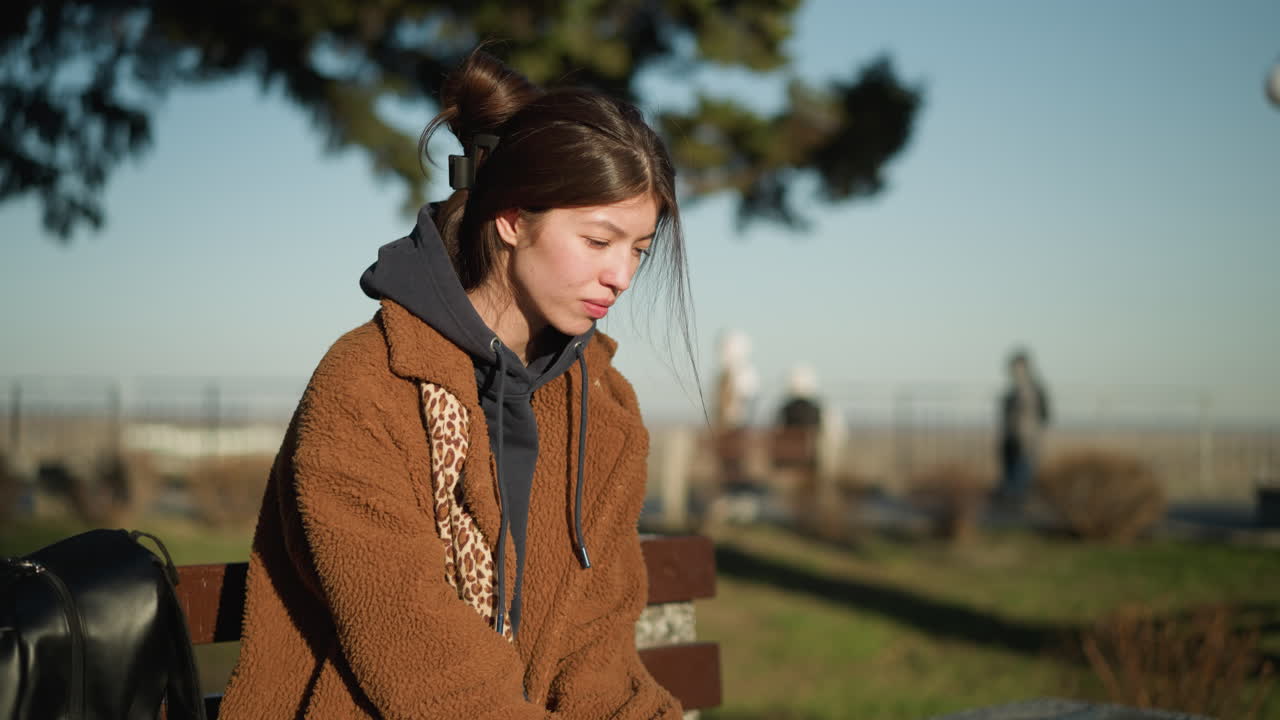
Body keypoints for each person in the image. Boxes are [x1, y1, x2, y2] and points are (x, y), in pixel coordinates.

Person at [220, 48, 693, 719]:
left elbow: (598, 653)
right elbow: (417, 655)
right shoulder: (368, 385)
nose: (621, 275)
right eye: (598, 241)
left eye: (638, 250)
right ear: (512, 219)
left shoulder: (604, 406)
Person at [996, 348, 1051, 507]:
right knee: (1012, 477)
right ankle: (1014, 504)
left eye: (1017, 367)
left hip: (1026, 440)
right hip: (1011, 439)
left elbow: (1044, 414)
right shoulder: (1012, 391)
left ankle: (1018, 504)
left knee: (1021, 477)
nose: (1015, 371)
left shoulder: (1033, 390)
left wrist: (1030, 430)